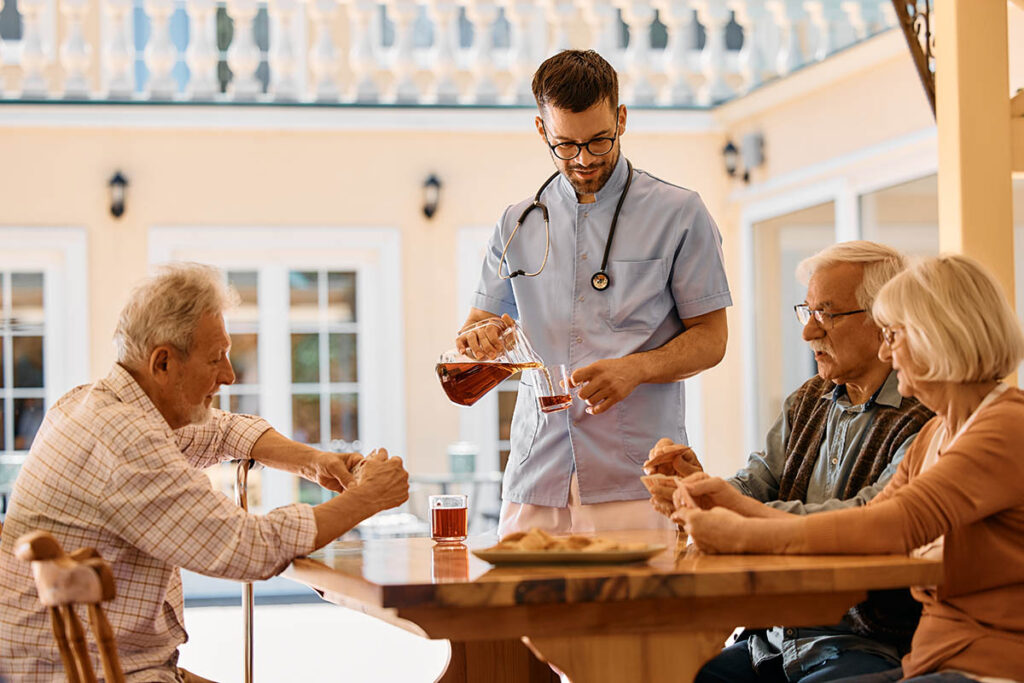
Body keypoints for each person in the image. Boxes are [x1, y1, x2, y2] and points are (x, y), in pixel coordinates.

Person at [0, 263, 410, 683]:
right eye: (216, 359)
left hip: (83, 667)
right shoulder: (126, 440)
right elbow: (249, 547)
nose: (229, 376)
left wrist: (313, 461)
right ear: (163, 363)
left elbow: (220, 430)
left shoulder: (89, 404)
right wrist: (367, 498)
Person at [678, 254, 1024, 682]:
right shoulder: (938, 432)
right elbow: (869, 519)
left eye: (893, 335)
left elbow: (893, 526)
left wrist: (743, 533)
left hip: (985, 666)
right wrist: (731, 504)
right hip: (932, 662)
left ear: (937, 336)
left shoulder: (1006, 427)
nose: (885, 350)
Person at [456, 49, 732, 535]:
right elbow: (475, 330)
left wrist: (637, 368)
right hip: (535, 477)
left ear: (621, 119)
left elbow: (712, 339)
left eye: (599, 141)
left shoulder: (680, 213)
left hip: (638, 481)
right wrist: (478, 342)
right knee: (522, 613)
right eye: (565, 145)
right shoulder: (515, 223)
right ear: (541, 130)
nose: (583, 159)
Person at [646, 241, 935, 682]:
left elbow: (869, 521)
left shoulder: (923, 416)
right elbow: (753, 483)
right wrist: (696, 484)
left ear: (884, 322)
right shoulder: (809, 399)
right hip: (774, 639)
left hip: (867, 642)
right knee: (675, 676)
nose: (808, 333)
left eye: (827, 315)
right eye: (808, 312)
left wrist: (732, 511)